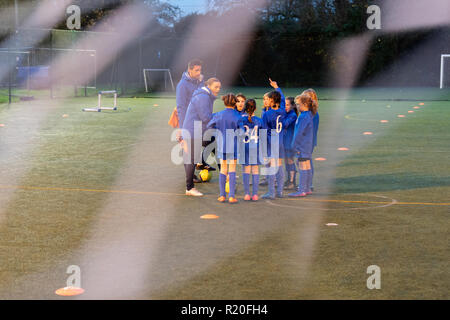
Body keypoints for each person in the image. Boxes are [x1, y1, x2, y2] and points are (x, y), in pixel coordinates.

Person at [181, 78, 221, 196]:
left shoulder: (206, 96)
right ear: (208, 86)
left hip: (199, 130)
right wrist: (221, 117)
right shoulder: (203, 97)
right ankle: (189, 188)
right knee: (191, 159)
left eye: (219, 87)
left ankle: (225, 172)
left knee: (213, 145)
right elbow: (205, 117)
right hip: (193, 131)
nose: (218, 89)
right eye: (216, 87)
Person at [207, 93, 242, 203]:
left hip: (222, 144)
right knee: (232, 169)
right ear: (235, 102)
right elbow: (242, 132)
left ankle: (222, 195)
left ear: (224, 102)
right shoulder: (238, 116)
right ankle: (231, 196)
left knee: (223, 169)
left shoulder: (218, 115)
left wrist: (217, 131)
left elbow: (209, 126)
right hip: (234, 145)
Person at [288, 94, 317, 197]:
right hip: (307, 146)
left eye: (298, 104)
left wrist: (294, 146)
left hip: (302, 146)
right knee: (307, 166)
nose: (297, 106)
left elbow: (298, 133)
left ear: (304, 104)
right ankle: (307, 188)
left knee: (302, 167)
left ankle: (302, 190)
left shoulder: (303, 116)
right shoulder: (309, 114)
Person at [261, 89, 287, 199]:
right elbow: (283, 100)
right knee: (279, 165)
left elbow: (264, 130)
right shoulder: (282, 111)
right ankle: (280, 192)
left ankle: (271, 193)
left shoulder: (267, 114)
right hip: (281, 141)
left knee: (272, 167)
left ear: (271, 100)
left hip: (271, 142)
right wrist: (277, 88)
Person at [239, 99, 263, 201]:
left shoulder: (240, 119)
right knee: (255, 170)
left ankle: (247, 194)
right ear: (255, 109)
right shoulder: (259, 120)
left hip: (245, 147)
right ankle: (255, 194)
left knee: (246, 170)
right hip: (255, 146)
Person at [301, 89, 319, 191]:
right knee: (306, 161)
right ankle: (308, 184)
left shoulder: (312, 114)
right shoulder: (309, 113)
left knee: (306, 161)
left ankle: (308, 184)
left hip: (308, 141)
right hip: (308, 141)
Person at [283, 96, 299, 190]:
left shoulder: (292, 115)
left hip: (290, 142)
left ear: (293, 106)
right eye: (284, 105)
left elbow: (285, 124)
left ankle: (292, 181)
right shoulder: (287, 113)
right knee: (286, 161)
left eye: (287, 105)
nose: (285, 107)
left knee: (290, 161)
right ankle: (289, 179)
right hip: (285, 141)